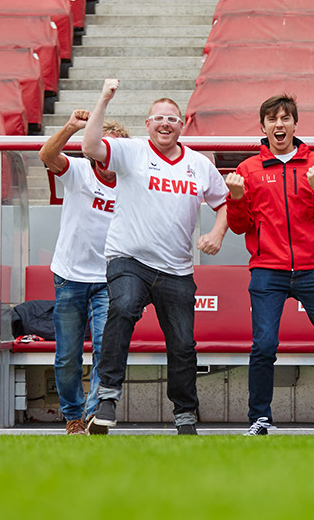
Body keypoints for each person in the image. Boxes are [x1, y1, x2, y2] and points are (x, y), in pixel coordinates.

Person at [80, 78, 229, 435]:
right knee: (124, 307)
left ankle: (185, 414)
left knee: (182, 343)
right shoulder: (131, 151)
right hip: (129, 259)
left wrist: (217, 233)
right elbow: (89, 146)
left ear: (182, 125)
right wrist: (104, 99)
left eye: (172, 119)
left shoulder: (199, 164)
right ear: (148, 124)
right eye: (158, 118)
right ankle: (107, 396)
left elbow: (224, 203)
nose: (165, 124)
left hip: (176, 269)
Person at [225, 94, 314, 436]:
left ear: (296, 124)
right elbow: (239, 227)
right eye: (272, 119)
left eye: (285, 118)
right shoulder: (248, 170)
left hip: (312, 270)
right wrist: (236, 198)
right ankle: (260, 418)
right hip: (268, 270)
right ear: (263, 126)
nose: (279, 125)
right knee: (264, 346)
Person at [39, 110, 130, 435]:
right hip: (70, 277)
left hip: (109, 279)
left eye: (115, 149)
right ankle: (73, 416)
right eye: (103, 147)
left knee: (107, 348)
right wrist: (71, 127)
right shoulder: (77, 171)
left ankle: (93, 416)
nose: (108, 155)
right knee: (67, 356)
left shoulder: (131, 183)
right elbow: (47, 155)